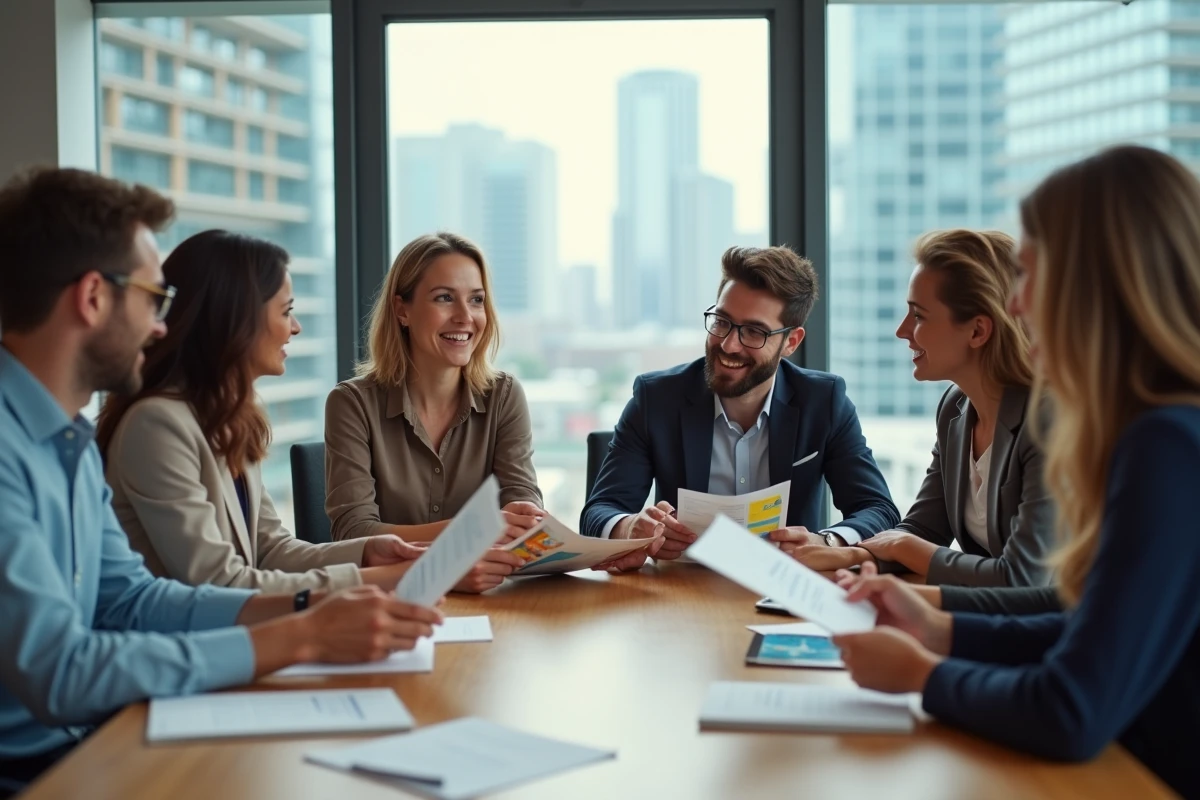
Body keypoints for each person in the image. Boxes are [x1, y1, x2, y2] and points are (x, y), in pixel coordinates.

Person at [0, 168, 441, 793]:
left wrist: (311, 607)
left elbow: (131, 601)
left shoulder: (66, 439)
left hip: (84, 740)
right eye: (152, 298)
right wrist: (300, 636)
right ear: (93, 297)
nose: (161, 325)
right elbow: (59, 671)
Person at [831, 145, 1200, 798]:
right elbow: (1091, 626)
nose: (1019, 305)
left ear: (1091, 285)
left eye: (1030, 275)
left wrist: (921, 673)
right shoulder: (1159, 431)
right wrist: (938, 628)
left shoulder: (1166, 446)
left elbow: (1069, 709)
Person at [97, 230, 520, 595]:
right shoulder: (157, 426)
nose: (295, 327)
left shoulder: (229, 419)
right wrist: (406, 574)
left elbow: (270, 550)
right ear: (233, 320)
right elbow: (221, 582)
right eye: (286, 312)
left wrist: (369, 552)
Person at [581, 245, 900, 570]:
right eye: (722, 321)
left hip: (786, 586)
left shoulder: (823, 401)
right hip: (682, 585)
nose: (728, 344)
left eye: (754, 332)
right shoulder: (657, 398)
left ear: (791, 342)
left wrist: (827, 542)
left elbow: (879, 510)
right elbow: (599, 511)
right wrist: (630, 528)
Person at [806, 230, 1056, 586]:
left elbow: (1022, 577)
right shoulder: (955, 408)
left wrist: (905, 548)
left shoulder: (1049, 422)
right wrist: (839, 552)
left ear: (977, 331)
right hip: (983, 612)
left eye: (918, 316)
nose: (902, 330)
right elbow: (924, 528)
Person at [324, 232, 544, 543]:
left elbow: (521, 502)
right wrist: (478, 529)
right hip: (394, 577)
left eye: (476, 300)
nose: (465, 317)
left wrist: (523, 517)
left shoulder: (504, 396)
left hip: (491, 574)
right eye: (444, 298)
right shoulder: (352, 404)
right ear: (402, 310)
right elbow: (353, 532)